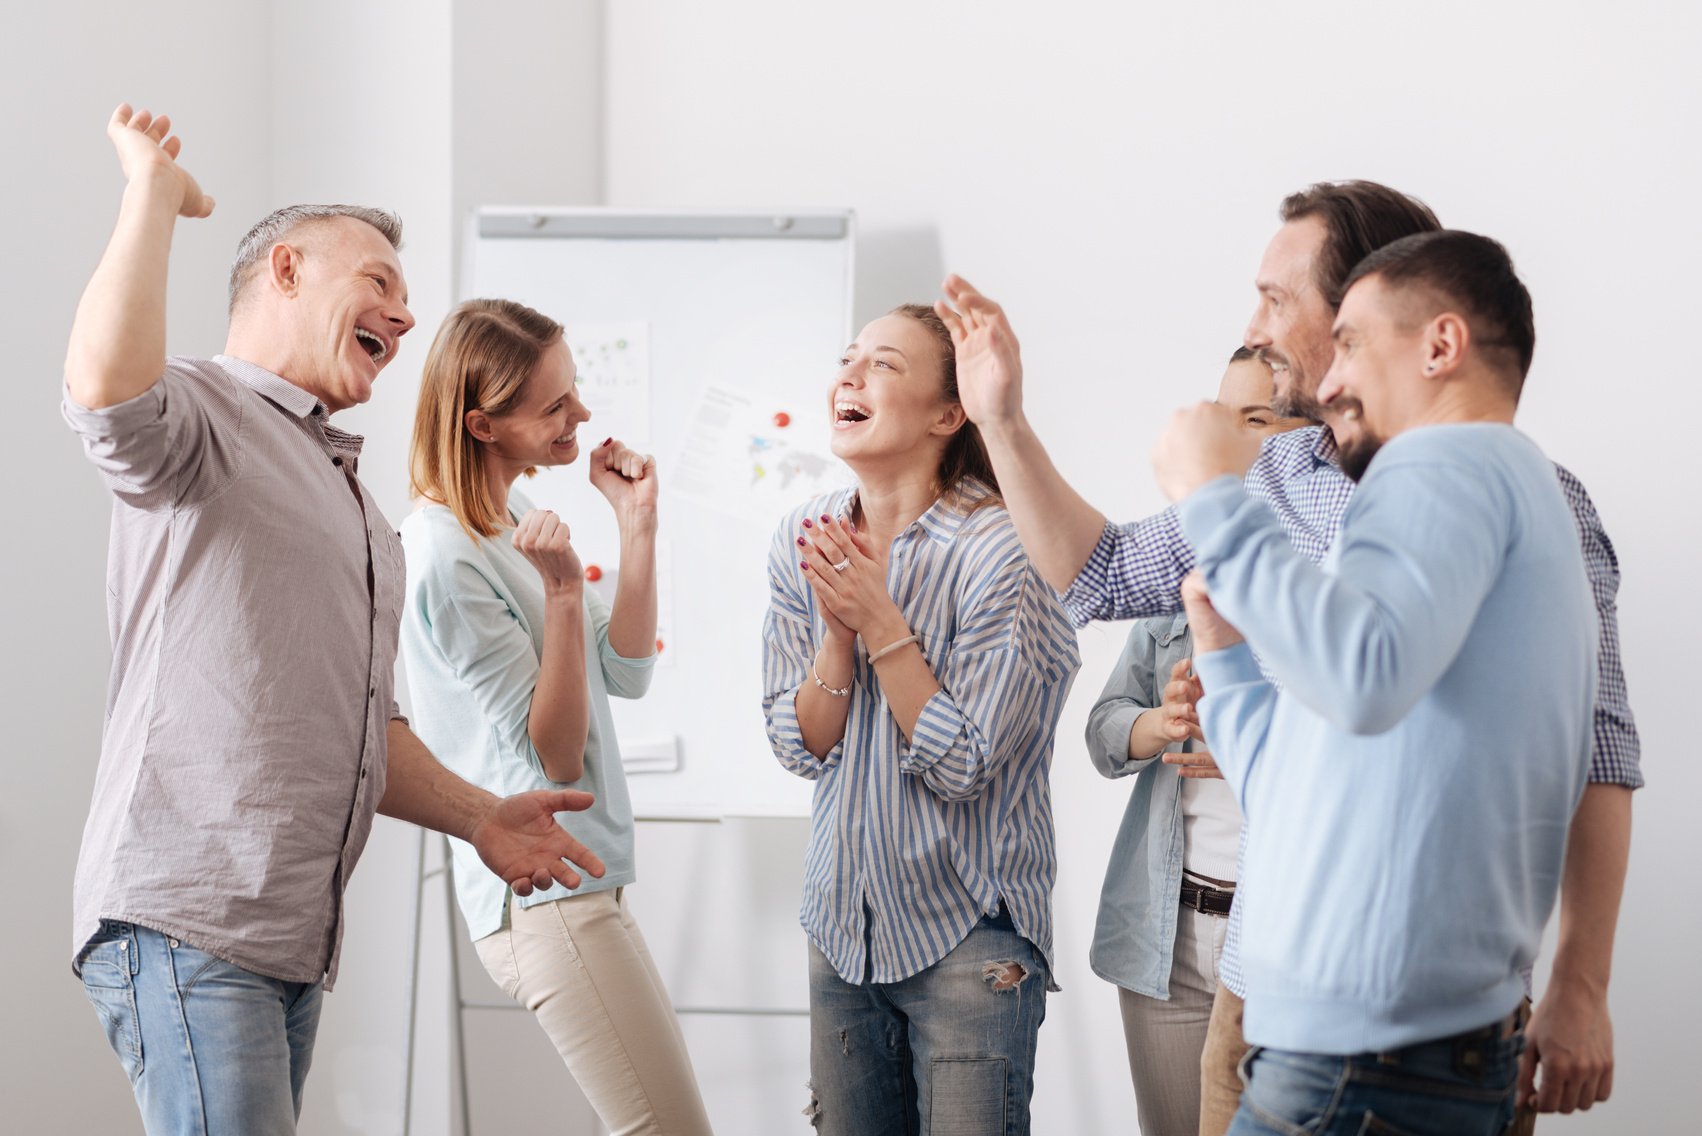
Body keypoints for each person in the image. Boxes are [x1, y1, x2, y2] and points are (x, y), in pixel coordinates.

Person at [937, 179, 1638, 1134]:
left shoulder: (1495, 482)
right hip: (1263, 989)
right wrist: (1003, 420)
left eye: (1278, 299)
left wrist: (1581, 984)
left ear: (1367, 304)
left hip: (1406, 1017)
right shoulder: (1278, 472)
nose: (1255, 326)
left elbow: (1594, 753)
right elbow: (1097, 576)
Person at [63, 107, 604, 1136]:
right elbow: (104, 391)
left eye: (406, 300)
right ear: (286, 271)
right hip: (190, 917)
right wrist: (153, 198)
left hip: (286, 940)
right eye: (380, 284)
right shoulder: (207, 417)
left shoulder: (356, 506)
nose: (404, 317)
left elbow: (367, 732)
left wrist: (482, 814)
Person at [1150, 229, 1593, 1134]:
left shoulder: (1447, 461)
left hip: (1362, 1067)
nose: (1329, 378)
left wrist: (1214, 496)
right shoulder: (1499, 494)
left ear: (1440, 345)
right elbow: (1291, 784)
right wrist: (1227, 650)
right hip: (1381, 1055)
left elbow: (1361, 678)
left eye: (1350, 341)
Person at [761, 303, 1079, 1135]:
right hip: (841, 930)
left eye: (885, 364)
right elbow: (799, 744)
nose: (851, 376)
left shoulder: (1005, 550)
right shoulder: (806, 533)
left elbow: (963, 762)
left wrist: (881, 626)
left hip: (971, 940)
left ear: (949, 414)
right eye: (848, 359)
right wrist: (836, 644)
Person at [399, 299, 712, 1135]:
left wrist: (636, 525)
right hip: (544, 896)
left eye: (574, 392)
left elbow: (628, 670)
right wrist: (566, 593)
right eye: (555, 405)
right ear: (482, 424)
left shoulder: (505, 525)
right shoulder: (445, 553)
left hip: (586, 884)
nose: (581, 415)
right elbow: (557, 757)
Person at [1086, 348, 1311, 1136]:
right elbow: (1105, 729)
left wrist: (1256, 745)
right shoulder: (1185, 571)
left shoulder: (1329, 584)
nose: (1227, 438)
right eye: (1222, 416)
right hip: (1169, 932)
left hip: (1286, 936)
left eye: (1257, 418)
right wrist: (1162, 722)